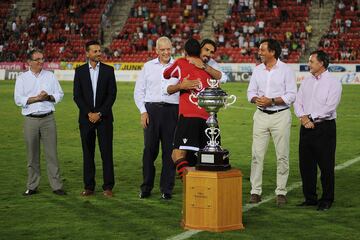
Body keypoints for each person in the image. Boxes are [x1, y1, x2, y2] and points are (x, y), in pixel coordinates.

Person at [247, 39, 297, 206]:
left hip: (280, 115)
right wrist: (256, 99)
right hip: (260, 115)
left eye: (262, 50)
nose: (259, 52)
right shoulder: (257, 70)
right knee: (256, 155)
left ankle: (281, 191)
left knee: (282, 155)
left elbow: (291, 95)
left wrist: (272, 101)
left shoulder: (286, 70)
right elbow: (250, 92)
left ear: (273, 52)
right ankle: (255, 191)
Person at [294, 50, 342, 211]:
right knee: (306, 165)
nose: (309, 64)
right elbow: (297, 101)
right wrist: (303, 118)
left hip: (324, 128)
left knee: (326, 165)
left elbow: (330, 107)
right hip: (305, 127)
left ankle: (327, 199)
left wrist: (310, 118)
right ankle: (310, 198)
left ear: (321, 63)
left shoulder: (333, 82)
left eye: (311, 61)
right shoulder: (307, 81)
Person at [14, 49, 66, 196]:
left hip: (48, 119)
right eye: (37, 59)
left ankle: (56, 186)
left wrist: (48, 97)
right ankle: (32, 185)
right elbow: (18, 99)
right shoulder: (22, 78)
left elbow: (59, 94)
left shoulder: (50, 76)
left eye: (42, 59)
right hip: (30, 119)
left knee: (52, 154)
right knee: (32, 155)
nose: (41, 62)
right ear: (29, 62)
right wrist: (36, 99)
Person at [134, 37, 179, 200]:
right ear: (156, 51)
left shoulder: (178, 67)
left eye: (169, 49)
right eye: (163, 50)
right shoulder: (147, 67)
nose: (166, 52)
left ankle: (166, 189)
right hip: (151, 111)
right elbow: (139, 91)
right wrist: (143, 112)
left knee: (169, 152)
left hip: (172, 112)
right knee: (149, 151)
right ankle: (146, 187)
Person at [73, 40, 117, 197]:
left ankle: (108, 187)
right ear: (87, 53)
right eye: (95, 51)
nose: (99, 53)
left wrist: (99, 113)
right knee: (88, 153)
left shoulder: (108, 70)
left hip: (104, 119)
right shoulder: (79, 72)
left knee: (106, 153)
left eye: (99, 51)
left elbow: (112, 95)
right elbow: (77, 96)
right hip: (86, 120)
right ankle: (89, 186)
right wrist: (89, 114)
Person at [163, 38, 211, 179]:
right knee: (201, 156)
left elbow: (166, 74)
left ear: (185, 51)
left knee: (176, 154)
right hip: (207, 117)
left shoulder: (181, 62)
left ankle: (190, 182)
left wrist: (182, 61)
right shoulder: (207, 68)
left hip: (188, 116)